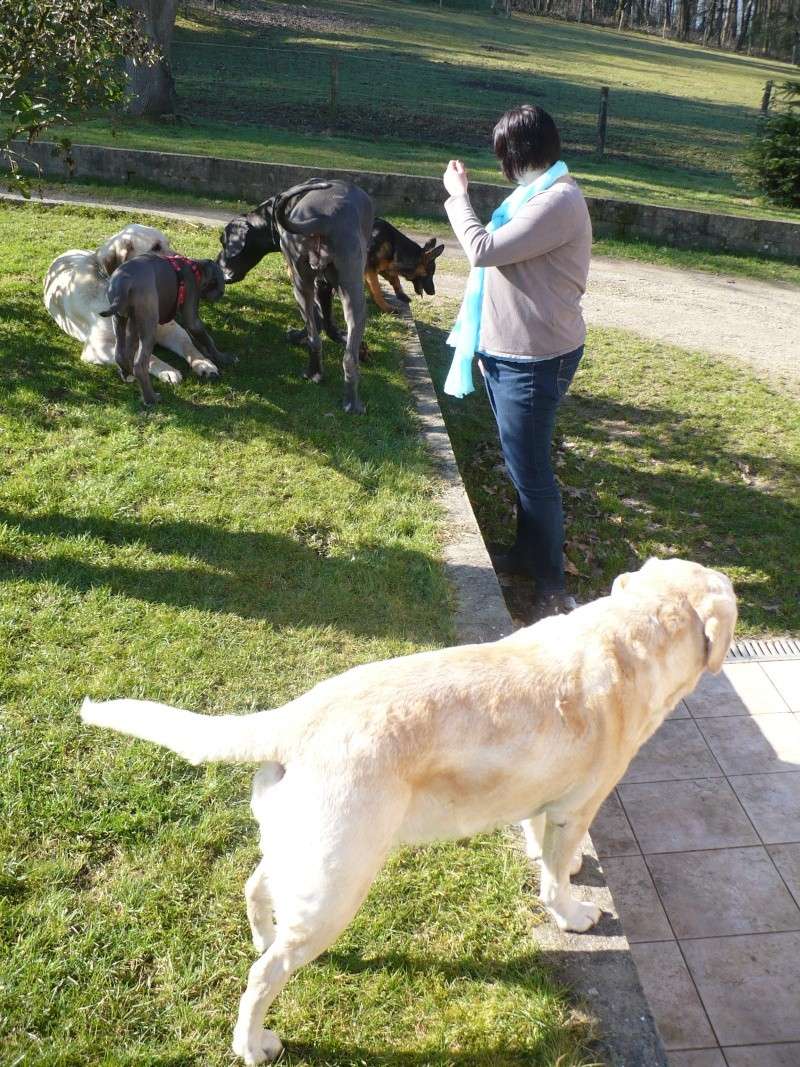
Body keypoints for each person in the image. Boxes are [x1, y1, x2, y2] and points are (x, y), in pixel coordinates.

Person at [442, 104, 592, 621]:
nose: (499, 163)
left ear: (517, 154)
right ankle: (529, 554)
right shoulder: (536, 193)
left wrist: (458, 199)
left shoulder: (556, 202)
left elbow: (482, 249)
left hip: (534, 358)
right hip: (510, 352)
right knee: (520, 462)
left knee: (531, 471)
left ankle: (551, 584)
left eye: (502, 153)